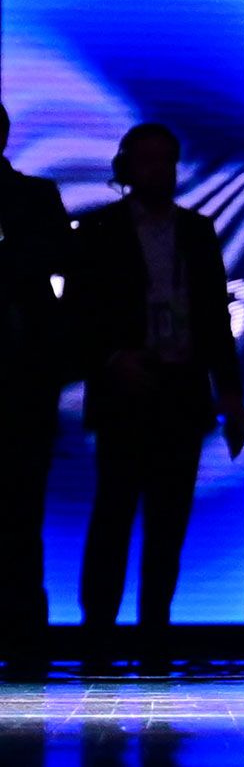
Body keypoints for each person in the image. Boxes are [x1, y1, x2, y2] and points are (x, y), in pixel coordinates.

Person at [66, 124, 244, 668]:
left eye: (166, 161)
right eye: (148, 161)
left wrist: (232, 399)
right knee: (114, 517)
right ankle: (99, 636)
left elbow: (216, 322)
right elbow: (76, 315)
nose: (159, 171)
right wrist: (110, 358)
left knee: (168, 523)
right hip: (127, 390)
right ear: (127, 166)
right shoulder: (98, 232)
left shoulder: (197, 231)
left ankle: (154, 637)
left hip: (180, 391)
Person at [0, 104, 71, 679]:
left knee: (22, 513)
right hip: (26, 378)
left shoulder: (35, 197)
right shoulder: (35, 200)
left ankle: (24, 637)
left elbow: (55, 259)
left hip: (22, 380)